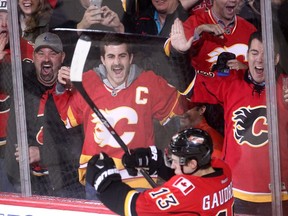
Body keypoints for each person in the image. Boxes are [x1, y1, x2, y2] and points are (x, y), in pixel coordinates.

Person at [56, 33, 187, 199]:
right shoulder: (87, 82)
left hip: (138, 177)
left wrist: (166, 160)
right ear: (103, 60)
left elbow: (181, 114)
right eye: (111, 56)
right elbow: (67, 119)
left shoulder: (149, 82)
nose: (117, 63)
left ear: (130, 58)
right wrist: (60, 88)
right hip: (99, 177)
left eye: (122, 56)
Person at [174, 30, 288, 214]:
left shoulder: (285, 87)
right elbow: (190, 85)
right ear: (247, 56)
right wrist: (179, 54)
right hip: (237, 193)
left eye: (265, 54)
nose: (259, 59)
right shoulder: (231, 83)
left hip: (280, 195)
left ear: (275, 59)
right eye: (254, 53)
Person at [4, 32, 85, 198]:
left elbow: (80, 147)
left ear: (62, 57)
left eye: (52, 53)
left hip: (65, 185)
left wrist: (42, 153)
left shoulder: (72, 90)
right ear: (33, 57)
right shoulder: (21, 83)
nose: (46, 58)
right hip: (23, 184)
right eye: (41, 53)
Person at [85, 128, 234, 215]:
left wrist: (105, 181)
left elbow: (135, 206)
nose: (173, 166)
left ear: (193, 163)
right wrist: (153, 160)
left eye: (175, 161)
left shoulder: (186, 192)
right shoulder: (223, 169)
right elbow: (193, 179)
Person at [165, 0, 257, 78]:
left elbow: (261, 68)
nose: (233, 0)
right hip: (203, 95)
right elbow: (174, 54)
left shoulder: (250, 30)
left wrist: (246, 69)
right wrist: (199, 30)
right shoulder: (195, 22)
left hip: (236, 95)